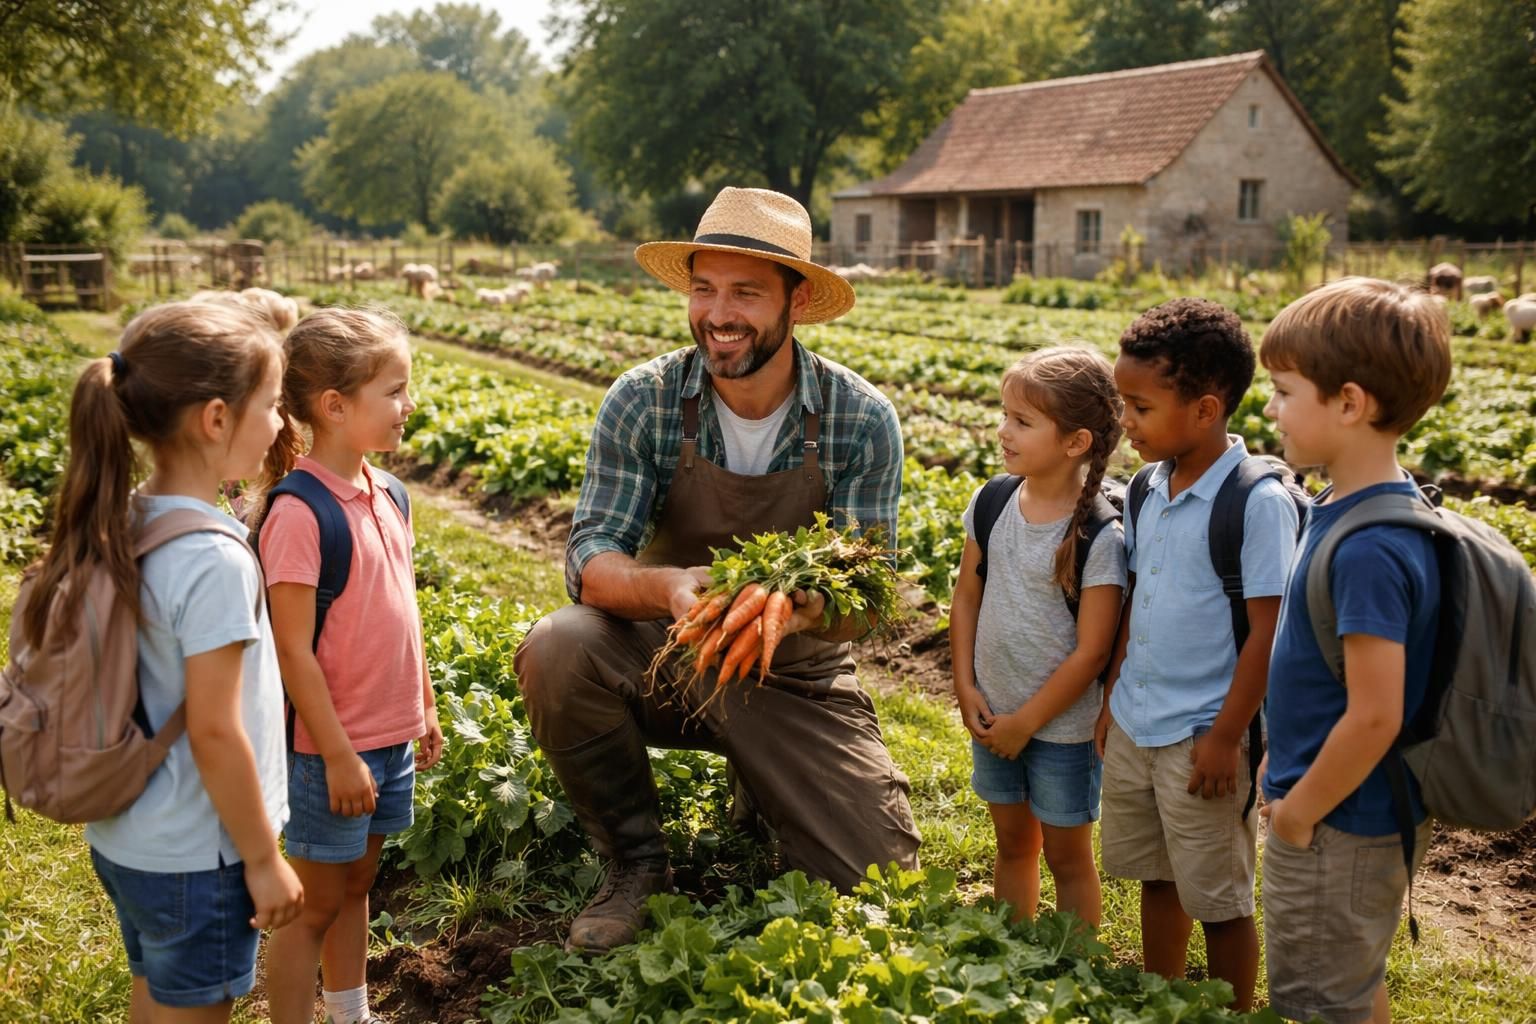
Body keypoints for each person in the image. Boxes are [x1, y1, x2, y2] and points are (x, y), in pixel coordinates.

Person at [514, 186, 921, 954]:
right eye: (703, 289)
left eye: (745, 293)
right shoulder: (646, 400)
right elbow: (590, 558)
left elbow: (871, 598)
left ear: (796, 302)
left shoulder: (858, 418)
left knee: (878, 882)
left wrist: (797, 609)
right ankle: (635, 865)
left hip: (794, 678)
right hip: (668, 654)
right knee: (559, 646)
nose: (718, 313)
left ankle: (767, 786)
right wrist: (668, 587)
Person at [26, 301, 303, 1020]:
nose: (279, 423)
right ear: (216, 419)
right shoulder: (213, 559)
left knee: (154, 993)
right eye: (271, 405)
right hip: (200, 854)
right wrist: (264, 859)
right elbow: (215, 731)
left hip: (132, 839)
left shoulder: (125, 516)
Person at [1094, 298, 1298, 1011]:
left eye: (1140, 407)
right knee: (1158, 874)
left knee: (1219, 895)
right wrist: (1114, 696)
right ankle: (1162, 996)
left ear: (1206, 410)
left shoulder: (1257, 502)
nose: (1127, 423)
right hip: (1137, 720)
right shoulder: (1147, 488)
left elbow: (1268, 633)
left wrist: (1226, 736)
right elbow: (1137, 599)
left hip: (1203, 735)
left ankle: (1230, 1009)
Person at [1258, 278, 1451, 1024]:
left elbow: (1375, 715)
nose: (1270, 407)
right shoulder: (1347, 505)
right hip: (1349, 804)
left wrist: (1301, 813)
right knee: (1350, 978)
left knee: (1315, 999)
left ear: (1348, 403)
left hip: (1341, 822)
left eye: (1283, 390)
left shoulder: (1370, 546)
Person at [255, 308, 444, 1024]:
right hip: (328, 749)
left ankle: (350, 1011)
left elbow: (404, 615)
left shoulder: (389, 493)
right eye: (394, 391)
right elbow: (291, 648)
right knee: (313, 903)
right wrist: (336, 753)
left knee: (359, 881)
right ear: (334, 407)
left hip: (386, 740)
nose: (409, 406)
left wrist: (421, 704)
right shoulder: (300, 513)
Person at [950, 347, 1126, 928]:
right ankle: (1012, 954)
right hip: (992, 711)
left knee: (1068, 856)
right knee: (1011, 846)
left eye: (1022, 421)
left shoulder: (1098, 532)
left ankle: (1072, 964)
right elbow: (967, 595)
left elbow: (1092, 650)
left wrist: (1028, 723)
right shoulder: (993, 499)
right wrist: (965, 684)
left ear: (1076, 442)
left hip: (1063, 731)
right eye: (1005, 414)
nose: (1003, 431)